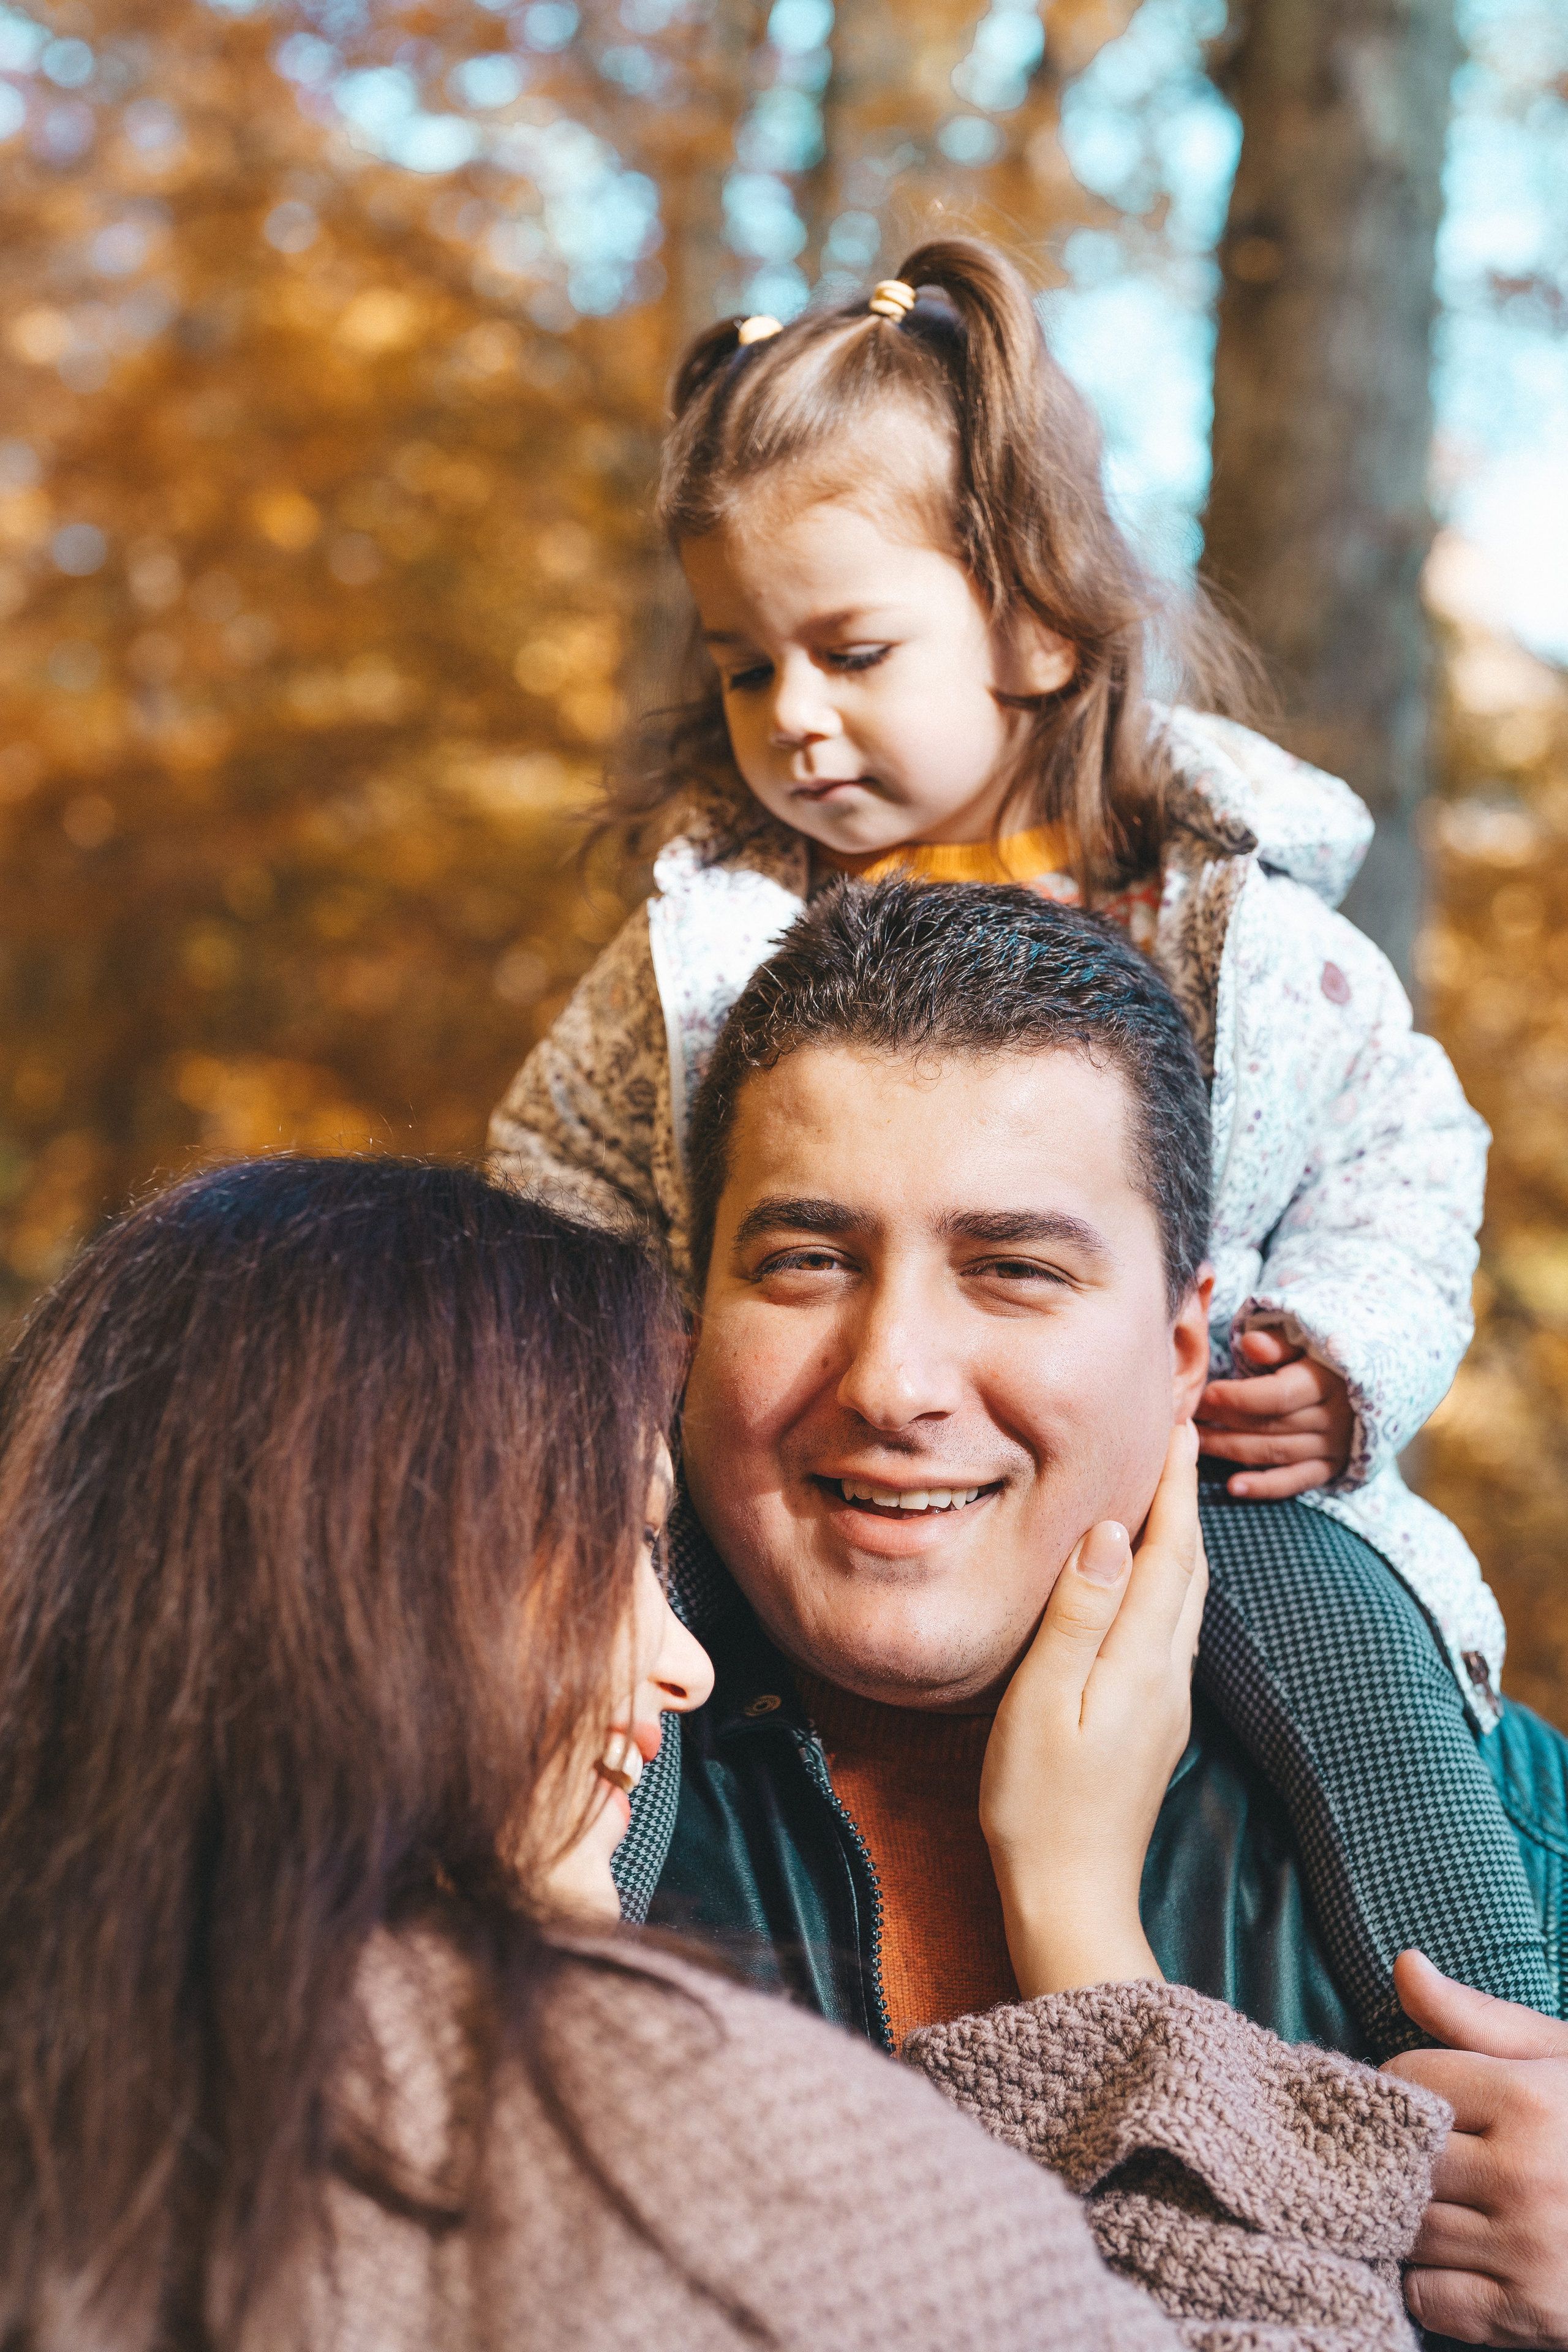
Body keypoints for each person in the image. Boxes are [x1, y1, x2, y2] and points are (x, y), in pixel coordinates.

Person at [487, 233, 1551, 2048]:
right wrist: (613, 1399)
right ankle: (566, 1987)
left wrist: (1346, 1360)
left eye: (852, 651)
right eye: (747, 671)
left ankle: (1498, 2025)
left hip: (1220, 1483)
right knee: (603, 1636)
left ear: (1042, 625)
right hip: (709, 1499)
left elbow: (1402, 1150)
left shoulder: (1232, 924)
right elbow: (550, 1182)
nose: (795, 721)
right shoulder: (705, 947)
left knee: (1351, 1642)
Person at [0, 1154, 1452, 2352]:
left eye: (1013, 1266)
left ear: (1187, 1345)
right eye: (616, 1548)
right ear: (369, 1585)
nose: (682, 1659)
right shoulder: (717, 2163)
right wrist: (1085, 1928)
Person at [614, 880, 1568, 2348]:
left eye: (1012, 1269)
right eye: (807, 1260)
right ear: (690, 1322)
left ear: (1185, 1349)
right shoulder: (505, 1816)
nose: (892, 1380)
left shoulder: (1500, 1834)